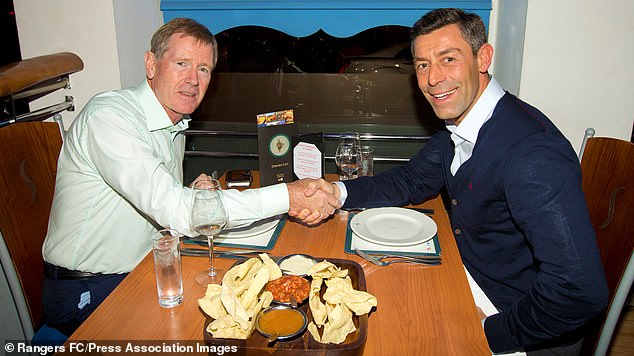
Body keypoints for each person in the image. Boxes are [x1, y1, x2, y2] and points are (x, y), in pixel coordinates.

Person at [306, 8, 608, 355]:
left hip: (519, 327)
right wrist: (337, 192)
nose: (433, 78)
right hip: (471, 280)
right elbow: (412, 179)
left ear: (483, 58)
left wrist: (485, 332)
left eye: (448, 59)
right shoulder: (460, 127)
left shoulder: (532, 153)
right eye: (422, 64)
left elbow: (579, 290)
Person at [41, 18, 339, 337]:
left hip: (146, 269)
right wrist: (288, 196)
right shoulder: (110, 118)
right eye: (182, 63)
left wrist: (189, 191)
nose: (193, 80)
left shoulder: (173, 122)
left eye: (203, 69)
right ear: (151, 64)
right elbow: (179, 212)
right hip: (89, 289)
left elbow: (156, 197)